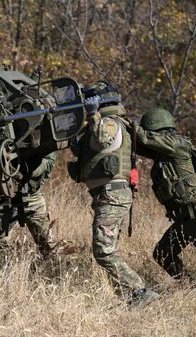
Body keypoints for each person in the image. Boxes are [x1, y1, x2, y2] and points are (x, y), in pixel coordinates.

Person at [69, 81, 158, 307]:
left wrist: (93, 115)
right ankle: (130, 297)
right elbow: (92, 150)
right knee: (108, 250)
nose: (87, 104)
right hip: (108, 196)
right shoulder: (104, 123)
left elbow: (102, 139)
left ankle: (139, 291)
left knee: (103, 251)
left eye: (91, 100)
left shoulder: (110, 122)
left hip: (112, 195)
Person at [137, 108, 196, 281]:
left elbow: (142, 137)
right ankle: (190, 285)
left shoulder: (175, 144)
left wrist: (123, 123)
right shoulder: (165, 151)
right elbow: (141, 145)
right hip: (185, 216)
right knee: (163, 253)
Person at [20, 153, 75, 258]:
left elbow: (48, 162)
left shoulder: (42, 142)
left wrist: (26, 170)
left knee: (48, 245)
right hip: (2, 198)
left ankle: (56, 268)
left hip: (32, 197)